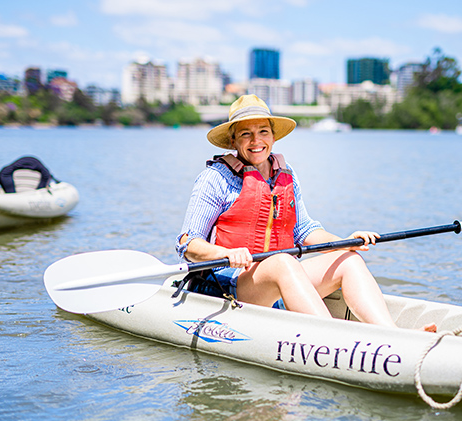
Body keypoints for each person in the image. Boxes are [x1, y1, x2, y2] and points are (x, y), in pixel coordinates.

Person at [176, 95, 435, 332]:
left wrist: (348, 241)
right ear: (233, 140)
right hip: (226, 287)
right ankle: (336, 340)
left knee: (348, 259)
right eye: (246, 134)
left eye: (263, 132)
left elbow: (304, 231)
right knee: (282, 263)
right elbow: (188, 243)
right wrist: (227, 253)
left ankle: (393, 336)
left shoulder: (286, 176)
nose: (256, 141)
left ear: (273, 137)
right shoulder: (214, 178)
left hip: (276, 279)